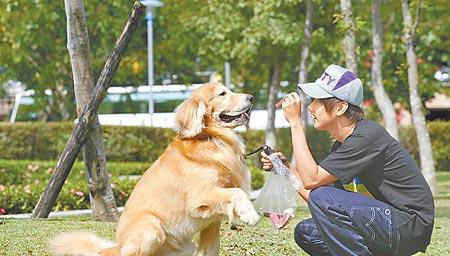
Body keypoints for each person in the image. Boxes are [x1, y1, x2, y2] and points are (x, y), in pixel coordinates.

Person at [261, 64, 434, 256]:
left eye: (318, 100)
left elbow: (313, 182)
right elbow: (316, 195)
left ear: (341, 107)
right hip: (387, 224)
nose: (311, 107)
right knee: (307, 232)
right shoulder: (345, 144)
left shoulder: (368, 136)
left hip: (409, 225)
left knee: (322, 197)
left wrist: (295, 123)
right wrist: (285, 168)